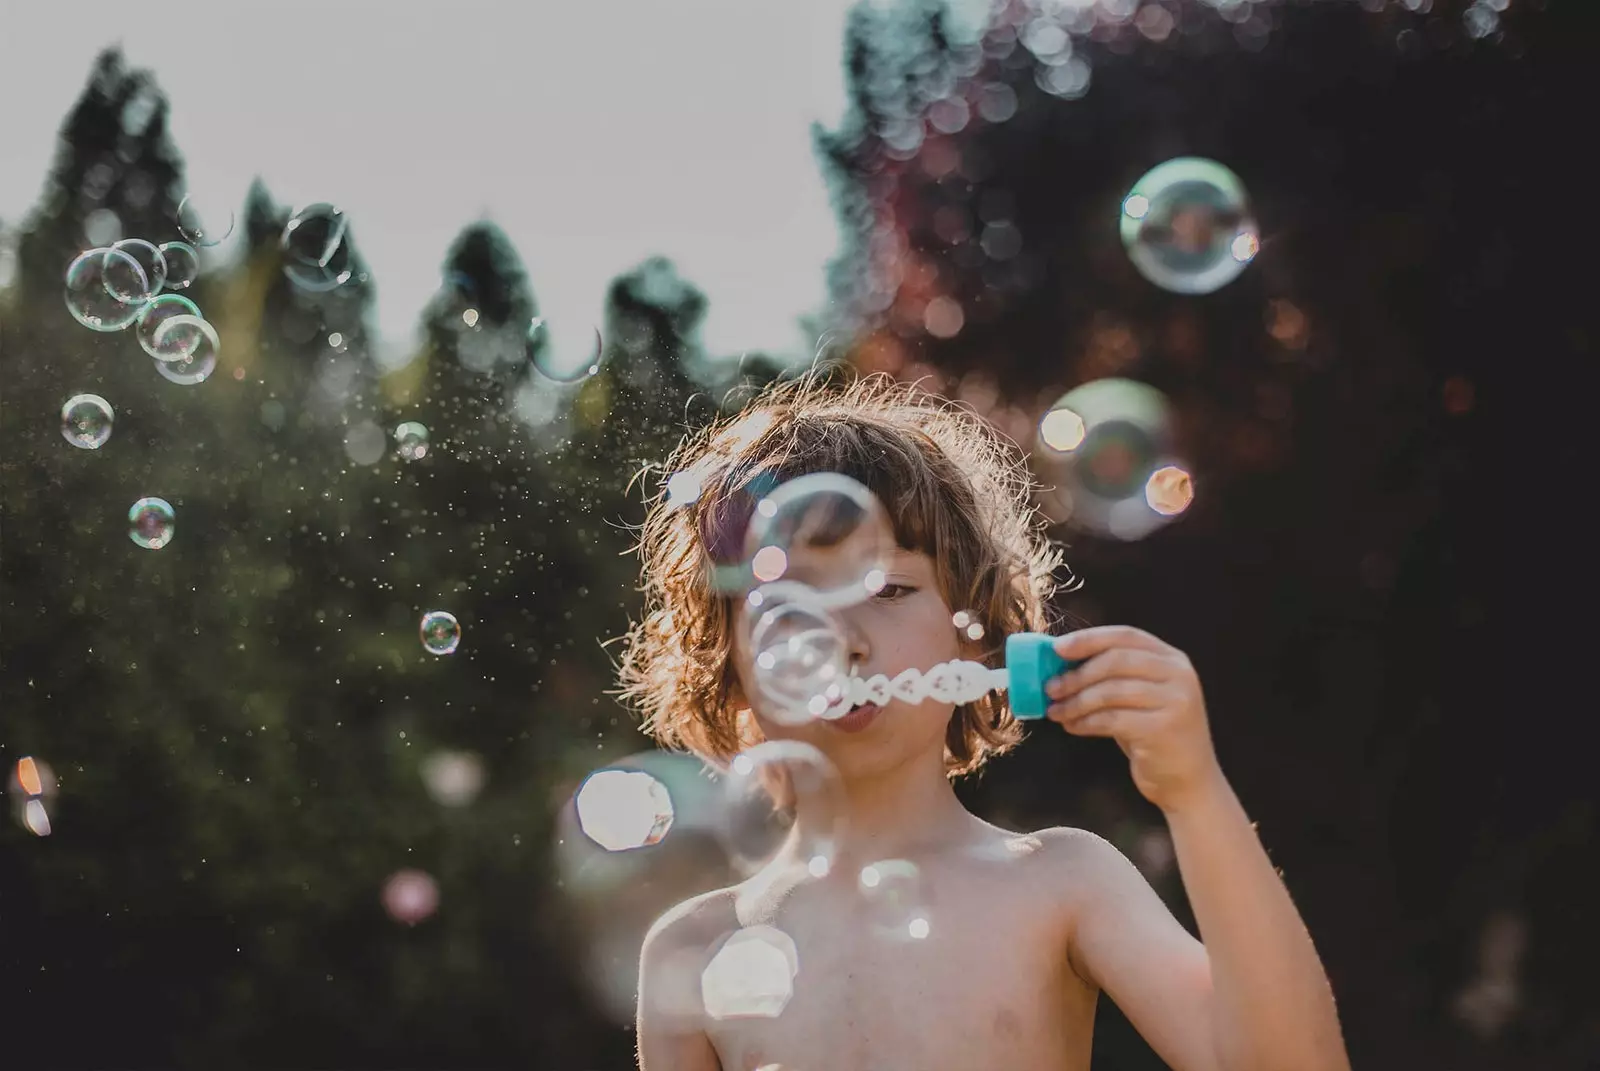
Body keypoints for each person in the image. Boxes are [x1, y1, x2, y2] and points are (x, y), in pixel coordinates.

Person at [618, 373, 1351, 1071]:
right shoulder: (694, 950)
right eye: (793, 603)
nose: (845, 637)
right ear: (732, 661)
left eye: (891, 587)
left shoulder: (1061, 881)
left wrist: (1193, 790)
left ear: (973, 633)